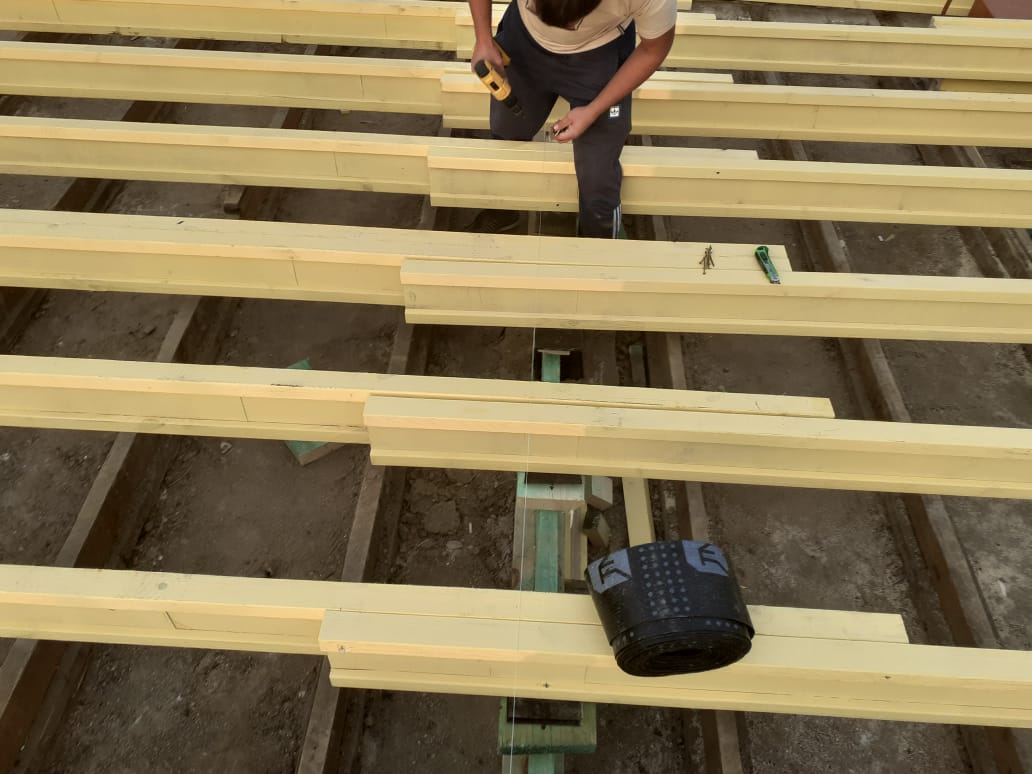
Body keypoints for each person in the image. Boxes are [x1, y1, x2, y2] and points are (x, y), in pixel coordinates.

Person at [466, 0, 677, 238]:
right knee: (507, 132)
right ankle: (503, 209)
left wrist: (594, 110)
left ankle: (598, 234)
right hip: (525, 40)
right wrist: (483, 39)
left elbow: (653, 50)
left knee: (598, 176)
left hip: (601, 53)